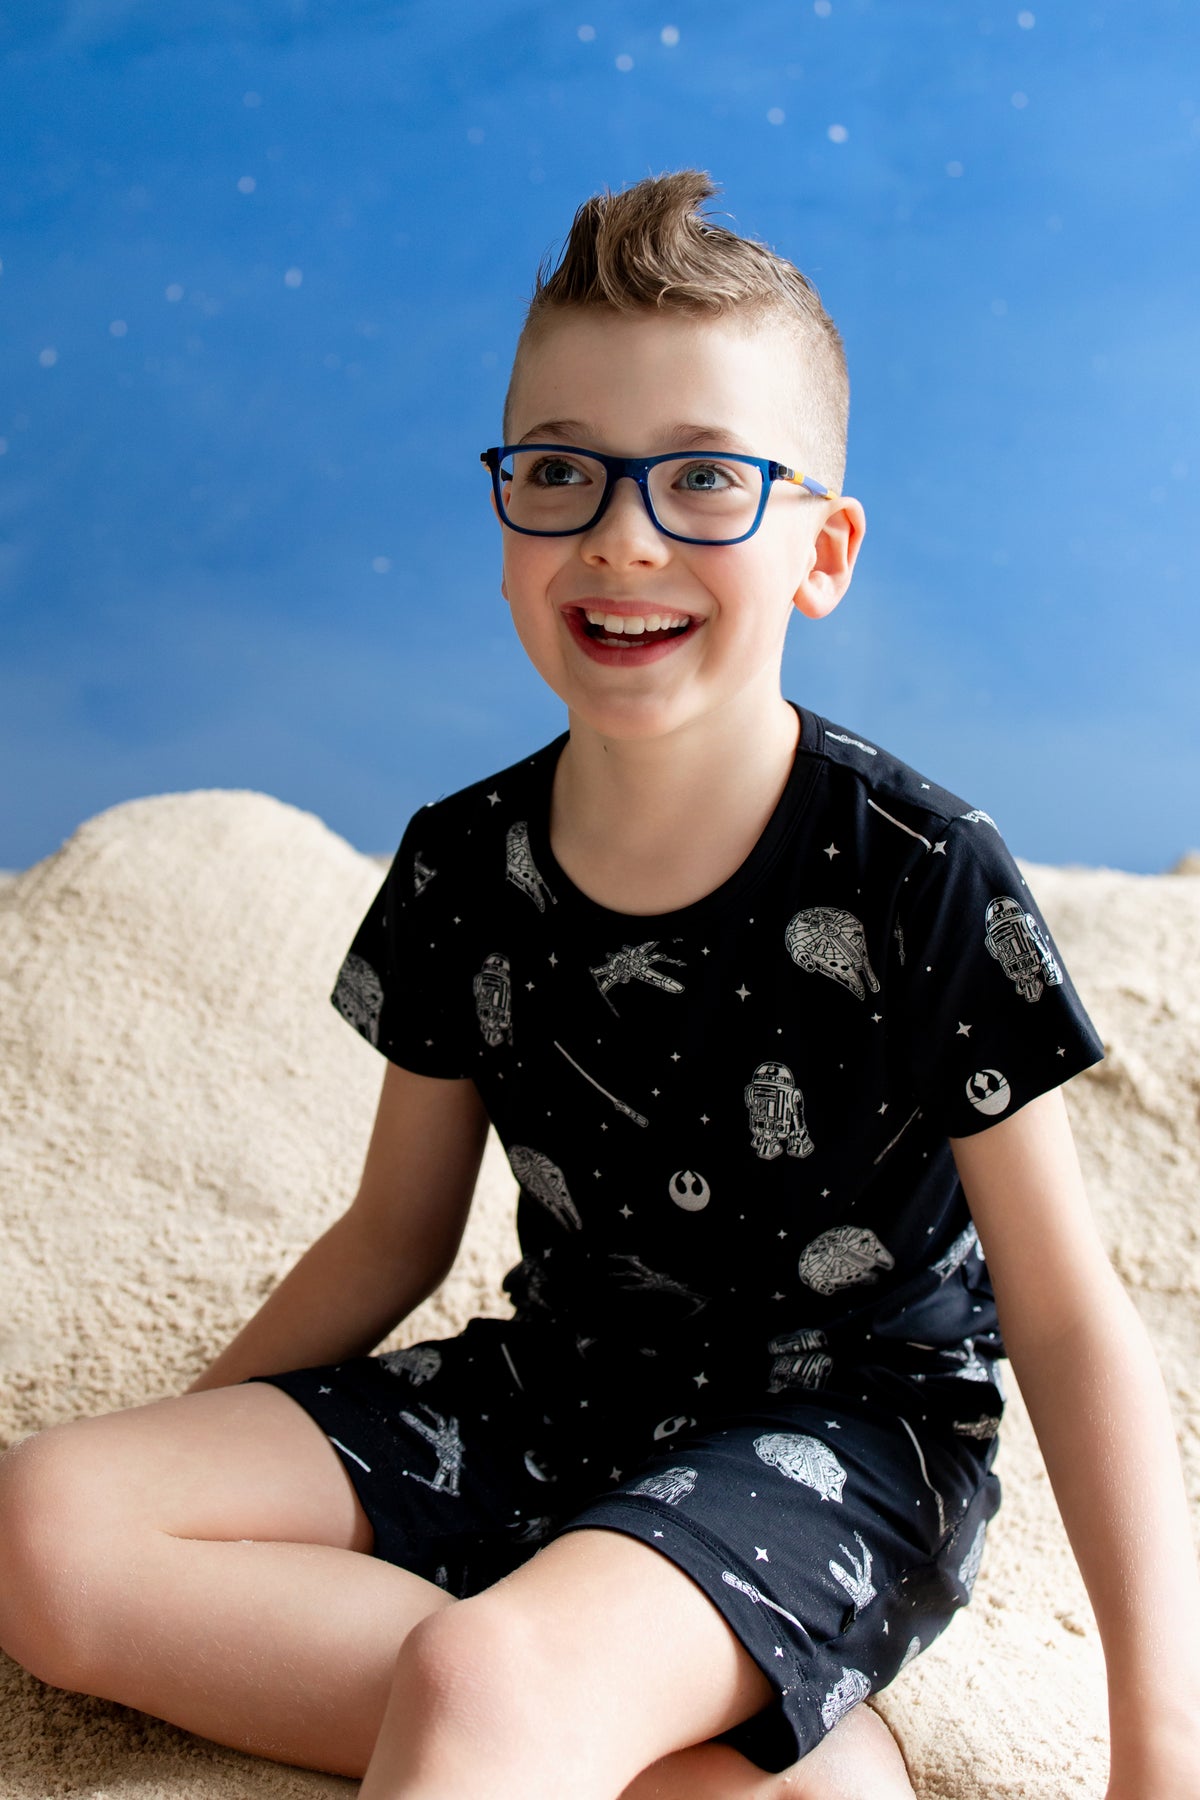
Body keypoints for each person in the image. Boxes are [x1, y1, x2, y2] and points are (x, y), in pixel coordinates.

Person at [0, 171, 1196, 1800]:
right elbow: (391, 1238)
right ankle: (690, 1745)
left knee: (487, 1675)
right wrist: (186, 1460)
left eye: (706, 479)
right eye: (562, 472)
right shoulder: (459, 864)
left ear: (823, 551)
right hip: (557, 1387)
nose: (623, 534)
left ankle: (545, 1688)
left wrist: (1165, 1753)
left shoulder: (924, 871)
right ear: (505, 517)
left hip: (844, 1443)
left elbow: (1064, 1318)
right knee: (48, 1526)